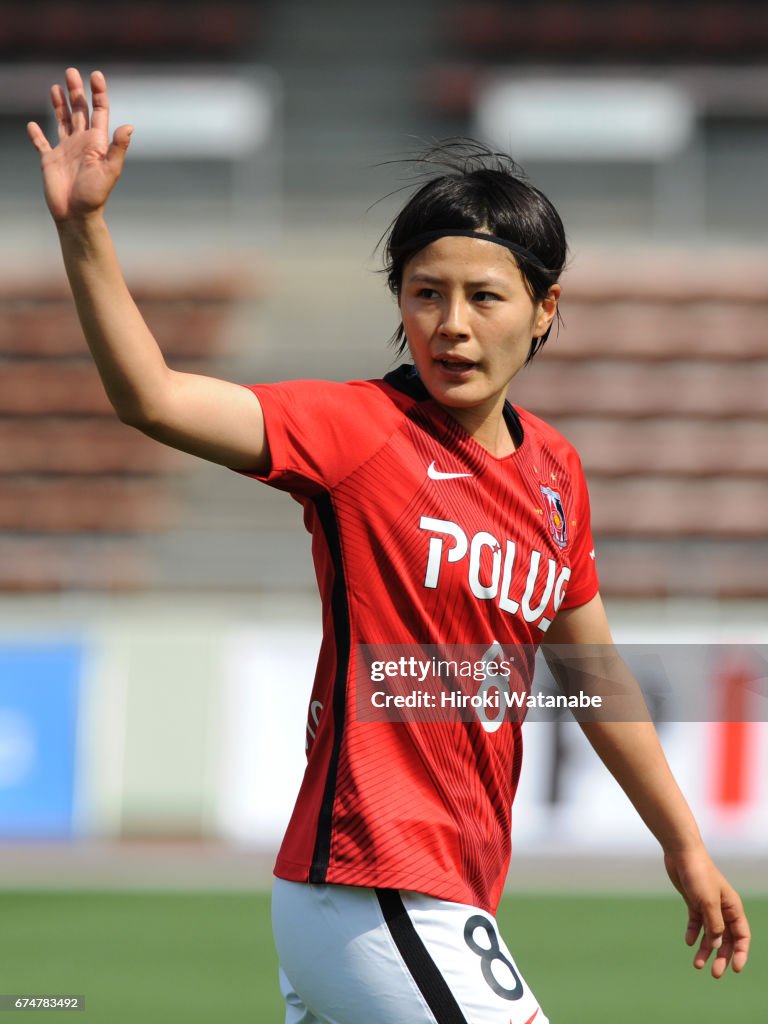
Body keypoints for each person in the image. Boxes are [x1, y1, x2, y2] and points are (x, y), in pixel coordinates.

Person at [28, 68, 751, 1024]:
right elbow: (152, 398)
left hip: (441, 888)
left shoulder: (557, 475)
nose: (451, 324)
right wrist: (83, 228)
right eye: (425, 292)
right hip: (374, 882)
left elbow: (593, 673)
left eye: (485, 297)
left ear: (544, 308)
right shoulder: (357, 431)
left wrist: (684, 844)